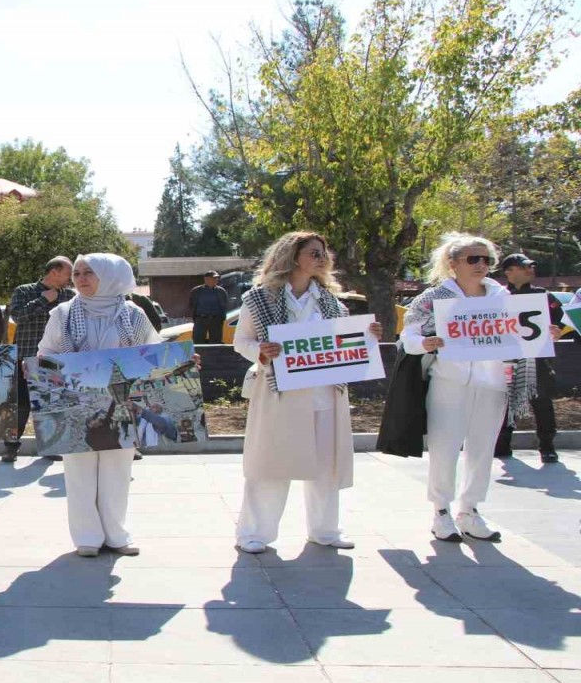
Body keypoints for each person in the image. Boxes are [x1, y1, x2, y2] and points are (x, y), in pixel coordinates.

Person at [401, 233, 558, 543]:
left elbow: (524, 334)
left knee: (482, 450)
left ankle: (469, 511)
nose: (481, 265)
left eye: (486, 259)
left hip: (493, 383)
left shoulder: (504, 298)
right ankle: (441, 512)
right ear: (452, 263)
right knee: (444, 449)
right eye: (473, 259)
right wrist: (424, 343)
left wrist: (544, 333)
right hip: (449, 382)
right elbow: (408, 337)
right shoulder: (433, 298)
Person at [232, 232, 382, 554]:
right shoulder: (259, 298)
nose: (321, 257)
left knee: (326, 465)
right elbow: (240, 341)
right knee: (271, 463)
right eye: (314, 252)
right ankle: (254, 534)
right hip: (279, 393)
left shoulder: (332, 302)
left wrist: (366, 336)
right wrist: (262, 350)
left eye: (323, 252)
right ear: (293, 256)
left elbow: (343, 346)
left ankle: (325, 530)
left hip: (325, 393)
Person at [38, 253, 161, 557]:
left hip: (122, 403)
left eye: (89, 273)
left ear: (111, 276)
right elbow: (46, 353)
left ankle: (117, 535)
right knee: (79, 471)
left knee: (117, 469)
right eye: (77, 273)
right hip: (76, 403)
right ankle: (88, 537)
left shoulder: (133, 314)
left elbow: (154, 351)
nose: (80, 278)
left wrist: (179, 361)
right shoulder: (63, 313)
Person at [4, 257, 76, 462]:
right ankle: (11, 447)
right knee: (20, 405)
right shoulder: (24, 291)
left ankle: (50, 446)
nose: (69, 280)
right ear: (54, 272)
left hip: (53, 358)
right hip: (25, 356)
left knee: (50, 404)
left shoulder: (69, 296)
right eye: (67, 274)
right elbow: (17, 317)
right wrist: (44, 300)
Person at [494, 253, 562, 463]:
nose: (530, 270)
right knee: (504, 403)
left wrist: (556, 331)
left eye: (531, 266)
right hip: (506, 360)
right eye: (524, 267)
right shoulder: (496, 297)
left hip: (536, 359)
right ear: (509, 272)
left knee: (542, 403)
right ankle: (502, 445)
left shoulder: (544, 295)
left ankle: (547, 447)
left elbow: (558, 322)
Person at [189, 271, 229, 344]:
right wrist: (195, 318)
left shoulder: (221, 291)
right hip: (200, 319)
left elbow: (224, 306)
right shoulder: (197, 291)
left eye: (216, 278)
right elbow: (191, 305)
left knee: (216, 342)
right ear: (206, 279)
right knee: (198, 341)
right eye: (213, 278)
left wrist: (221, 319)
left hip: (215, 320)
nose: (215, 280)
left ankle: (215, 355)